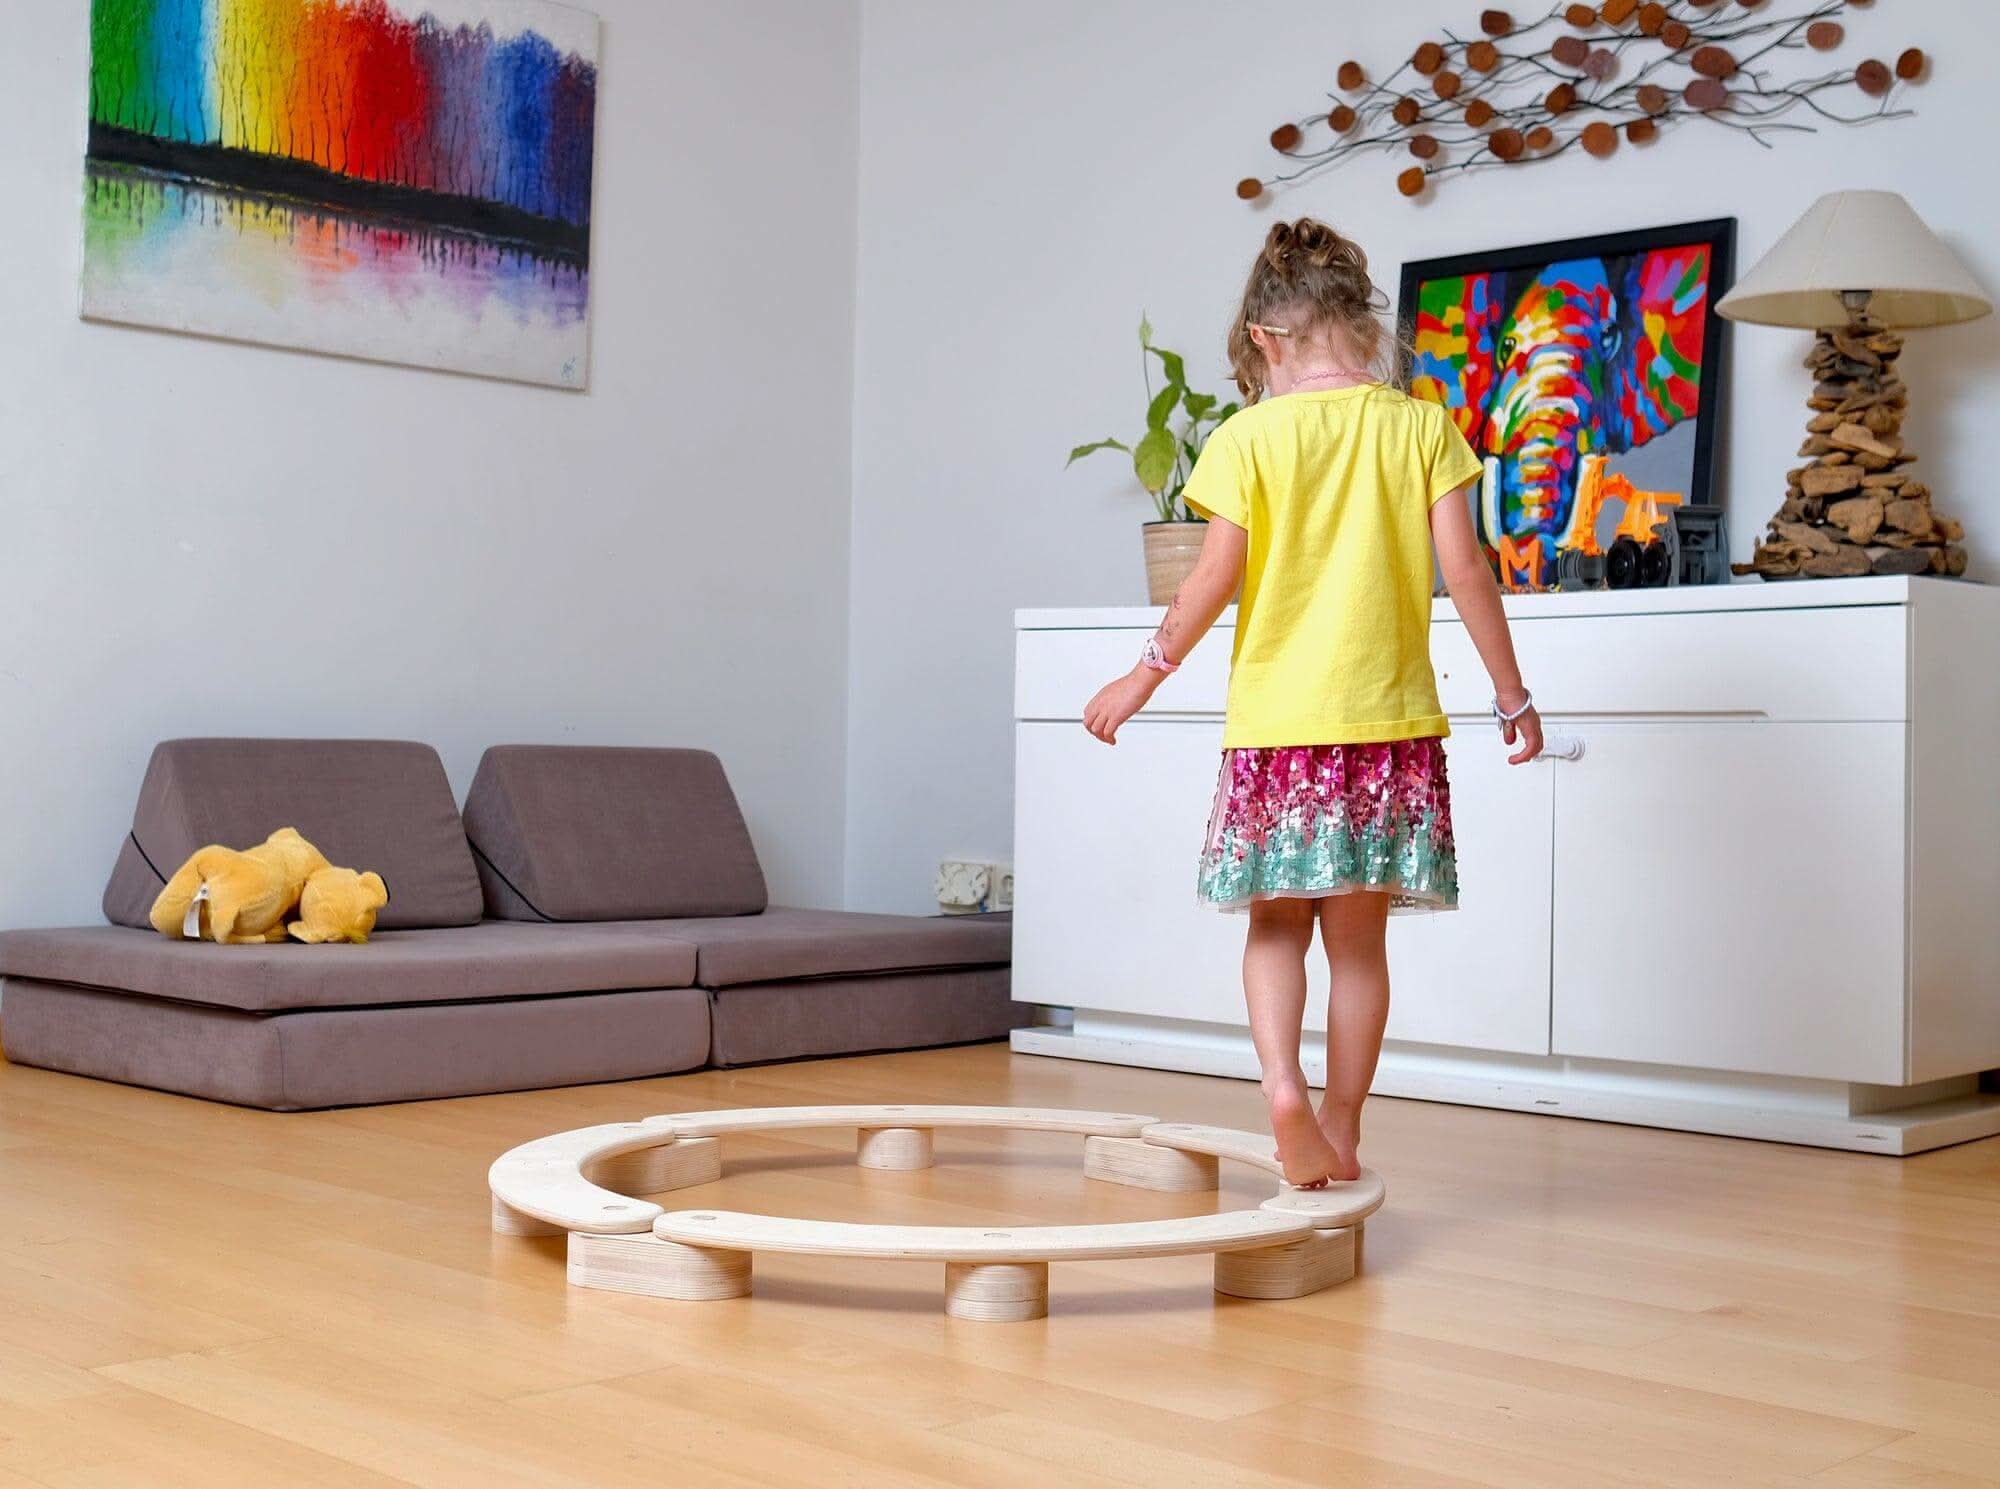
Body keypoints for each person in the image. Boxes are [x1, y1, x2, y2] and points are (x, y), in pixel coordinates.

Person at [1083, 218, 1543, 1189]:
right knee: (1359, 947)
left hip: (1276, 736)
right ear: (1362, 326)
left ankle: (1283, 1088)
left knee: (1275, 927)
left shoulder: (1247, 437)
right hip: (1388, 732)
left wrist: (1140, 674)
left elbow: (1211, 579)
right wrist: (1511, 697)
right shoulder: (1419, 428)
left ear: (1263, 338)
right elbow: (1466, 572)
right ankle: (1341, 1122)